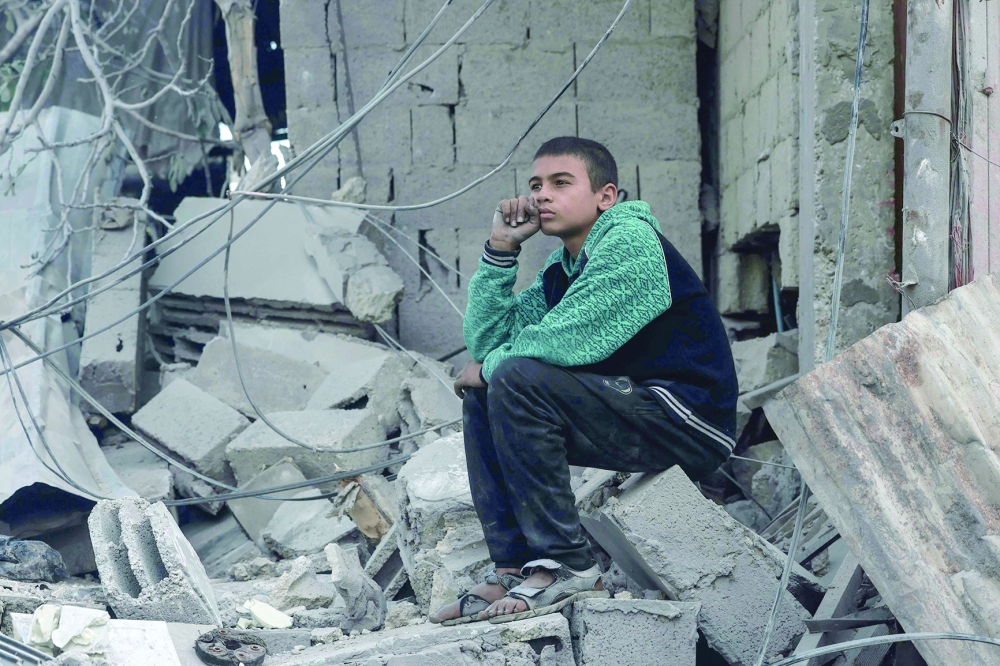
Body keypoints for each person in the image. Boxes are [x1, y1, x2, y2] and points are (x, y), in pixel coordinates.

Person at [428, 137, 737, 627]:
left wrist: (490, 368)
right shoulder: (562, 269)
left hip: (685, 418)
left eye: (560, 183)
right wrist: (502, 248)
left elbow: (572, 340)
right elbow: (490, 343)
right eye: (535, 185)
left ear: (606, 196)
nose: (542, 196)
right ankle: (510, 567)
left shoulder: (630, 240)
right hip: (631, 411)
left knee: (512, 375)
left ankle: (568, 563)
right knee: (490, 388)